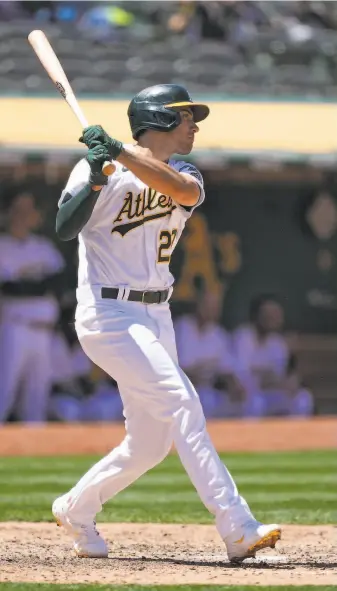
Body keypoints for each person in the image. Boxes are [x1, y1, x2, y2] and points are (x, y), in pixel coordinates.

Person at [52, 84, 281, 561]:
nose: (194, 126)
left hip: (157, 314)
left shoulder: (184, 170)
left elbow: (183, 192)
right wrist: (97, 173)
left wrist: (117, 151)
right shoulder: (99, 168)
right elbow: (65, 227)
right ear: (157, 119)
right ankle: (237, 527)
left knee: (150, 444)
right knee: (181, 402)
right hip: (108, 312)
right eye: (184, 118)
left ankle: (76, 509)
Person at [0, 191, 65, 422]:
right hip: (14, 328)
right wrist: (37, 282)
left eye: (28, 210)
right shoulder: (2, 246)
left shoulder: (44, 247)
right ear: (6, 213)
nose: (23, 215)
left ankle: (31, 451)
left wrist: (27, 282)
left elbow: (58, 283)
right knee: (3, 392)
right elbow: (11, 289)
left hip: (44, 331)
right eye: (18, 209)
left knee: (37, 398)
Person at [233, 294, 313, 418]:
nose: (272, 318)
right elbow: (242, 377)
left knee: (303, 397)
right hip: (246, 396)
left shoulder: (278, 343)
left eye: (276, 315)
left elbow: (279, 376)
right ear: (257, 316)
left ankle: (296, 436)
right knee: (255, 402)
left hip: (270, 393)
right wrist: (266, 379)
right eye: (268, 314)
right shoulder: (243, 336)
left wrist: (290, 382)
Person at [175, 287, 248, 418]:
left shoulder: (218, 334)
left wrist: (235, 386)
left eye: (215, 307)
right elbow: (180, 369)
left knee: (241, 401)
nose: (212, 310)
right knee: (206, 401)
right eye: (208, 305)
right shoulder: (182, 328)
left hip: (207, 389)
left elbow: (228, 369)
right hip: (179, 389)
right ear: (198, 306)